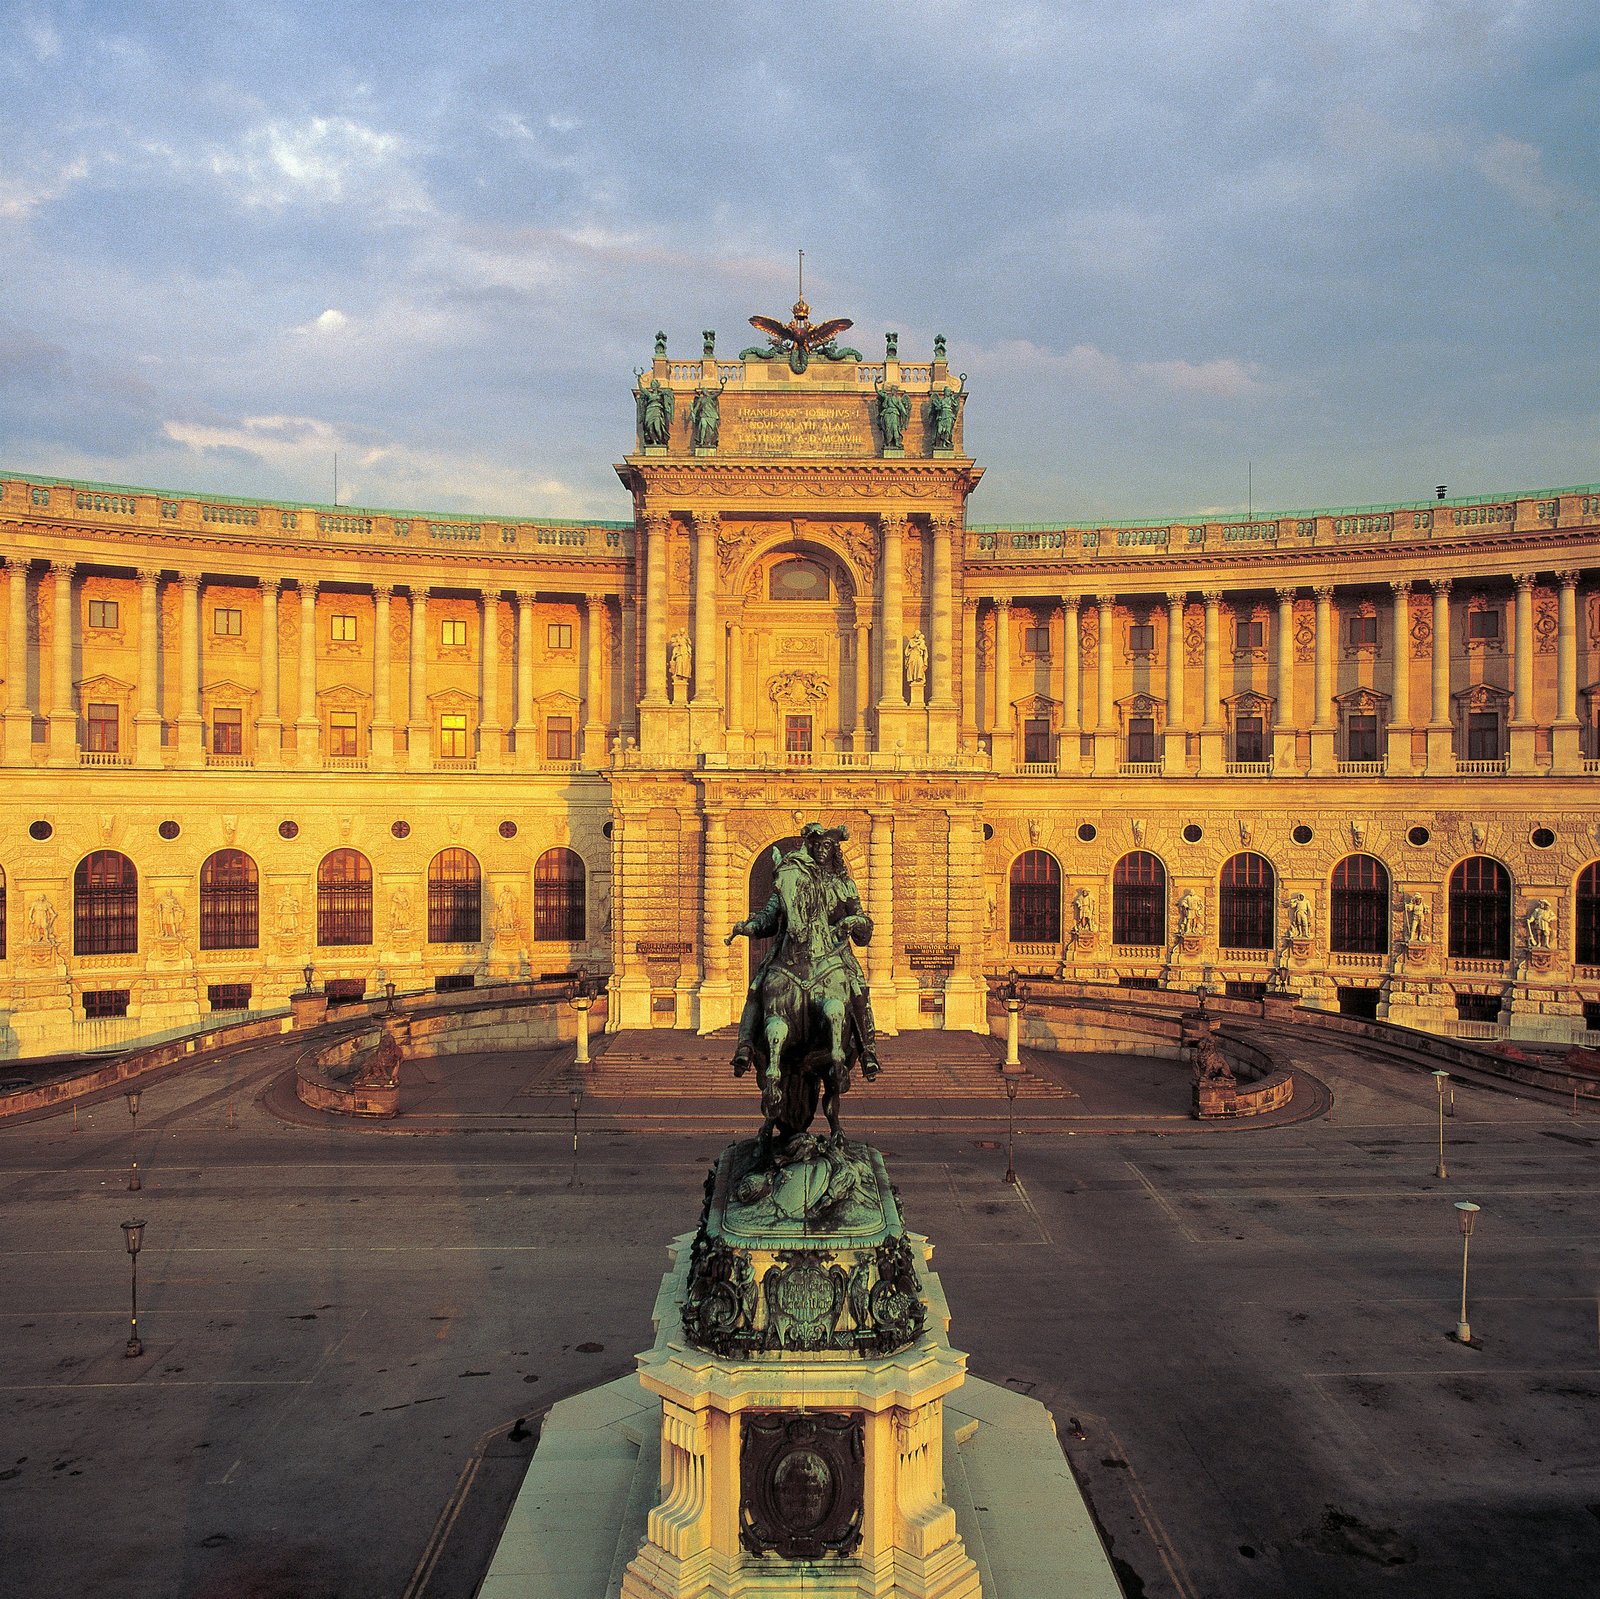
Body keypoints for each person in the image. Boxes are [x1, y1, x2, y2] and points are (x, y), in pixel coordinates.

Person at [726, 823, 880, 1084]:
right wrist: (750, 927)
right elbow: (769, 917)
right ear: (809, 847)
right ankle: (745, 1047)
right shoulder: (793, 879)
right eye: (816, 845)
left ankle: (868, 1051)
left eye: (827, 845)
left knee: (857, 988)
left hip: (834, 954)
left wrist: (853, 922)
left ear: (834, 850)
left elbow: (863, 930)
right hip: (790, 954)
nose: (821, 850)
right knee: (757, 986)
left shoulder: (844, 885)